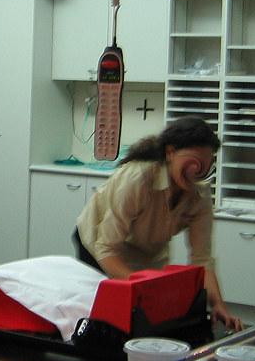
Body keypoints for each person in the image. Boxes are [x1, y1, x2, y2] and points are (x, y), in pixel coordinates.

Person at [73, 116, 243, 331]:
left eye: (204, 166)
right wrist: (141, 289)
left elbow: (202, 259)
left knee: (148, 319)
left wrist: (218, 305)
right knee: (105, 321)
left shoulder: (200, 194)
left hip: (145, 251)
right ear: (170, 152)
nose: (196, 172)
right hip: (100, 244)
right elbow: (106, 248)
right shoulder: (139, 178)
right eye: (192, 161)